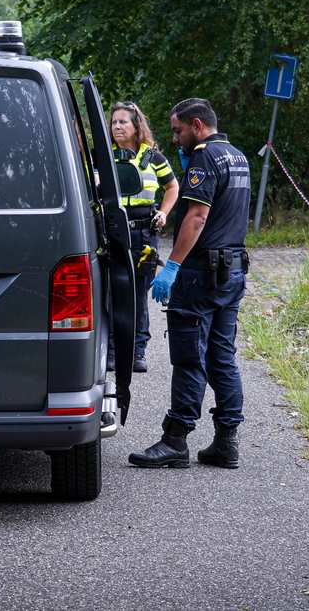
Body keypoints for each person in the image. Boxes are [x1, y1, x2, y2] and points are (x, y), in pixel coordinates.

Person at [129, 98, 250, 469]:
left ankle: (175, 440)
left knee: (187, 356)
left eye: (179, 130)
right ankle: (226, 442)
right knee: (221, 355)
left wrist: (173, 267)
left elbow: (197, 217)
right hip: (231, 271)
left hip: (200, 274)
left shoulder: (205, 158)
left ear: (197, 125)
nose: (176, 138)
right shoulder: (238, 156)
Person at [108, 101, 179, 373]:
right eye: (114, 122)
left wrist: (163, 212)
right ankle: (113, 352)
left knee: (138, 295)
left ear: (137, 126)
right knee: (112, 294)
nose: (117, 127)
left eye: (123, 121)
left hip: (143, 233)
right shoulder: (104, 156)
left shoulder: (153, 157)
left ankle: (138, 352)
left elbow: (172, 187)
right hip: (113, 232)